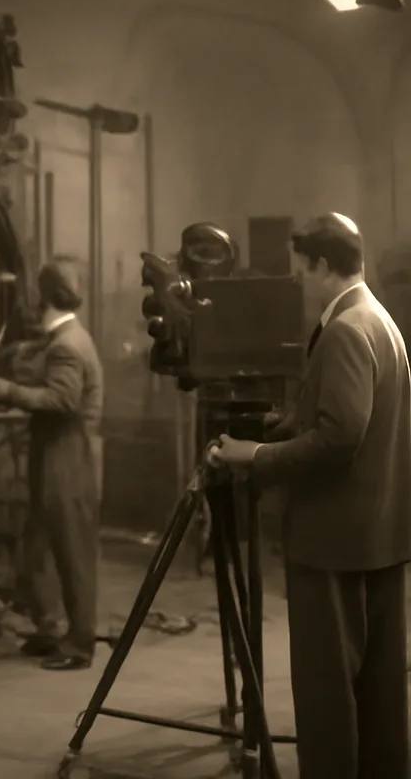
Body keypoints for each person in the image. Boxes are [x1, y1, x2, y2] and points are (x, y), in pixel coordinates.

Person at [211, 213, 411, 779]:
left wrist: (257, 458)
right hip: (380, 537)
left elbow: (342, 436)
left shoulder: (346, 328)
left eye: (303, 268)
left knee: (326, 696)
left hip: (334, 545)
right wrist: (289, 423)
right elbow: (355, 424)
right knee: (381, 696)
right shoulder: (382, 322)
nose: (300, 281)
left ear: (322, 266)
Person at [0, 258, 104, 670]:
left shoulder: (67, 346)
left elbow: (63, 400)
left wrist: (10, 391)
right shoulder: (67, 337)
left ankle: (80, 644)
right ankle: (51, 629)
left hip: (68, 462)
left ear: (42, 296)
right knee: (36, 553)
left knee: (72, 556)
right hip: (57, 459)